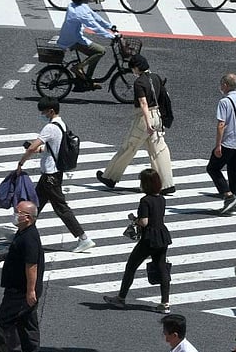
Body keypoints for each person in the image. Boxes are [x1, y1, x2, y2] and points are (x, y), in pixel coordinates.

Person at [17, 97, 96, 252]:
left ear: (51, 111)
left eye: (44, 111)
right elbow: (52, 148)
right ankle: (21, 235)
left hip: (50, 176)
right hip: (53, 173)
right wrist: (41, 150)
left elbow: (32, 148)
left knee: (61, 208)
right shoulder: (61, 124)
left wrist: (21, 163)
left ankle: (83, 238)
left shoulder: (50, 128)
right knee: (35, 205)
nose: (42, 114)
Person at [97, 54, 176, 195]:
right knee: (159, 151)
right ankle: (167, 184)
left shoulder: (139, 82)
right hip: (158, 117)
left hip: (144, 119)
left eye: (132, 68)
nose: (132, 71)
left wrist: (147, 122)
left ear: (137, 68)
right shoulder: (156, 77)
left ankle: (110, 177)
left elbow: (143, 103)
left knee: (129, 147)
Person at [103, 169, 172, 312]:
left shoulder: (145, 200)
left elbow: (144, 222)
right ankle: (165, 303)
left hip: (148, 238)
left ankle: (121, 298)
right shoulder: (161, 199)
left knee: (131, 266)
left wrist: (134, 219)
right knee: (162, 268)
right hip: (162, 236)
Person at [0, 200, 45, 352]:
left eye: (18, 212)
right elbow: (18, 256)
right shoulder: (24, 232)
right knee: (27, 323)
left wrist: (30, 291)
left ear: (28, 217)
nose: (15, 215)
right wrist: (2, 257)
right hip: (23, 289)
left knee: (4, 320)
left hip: (20, 290)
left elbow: (31, 265)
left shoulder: (29, 238)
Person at [207, 73, 236, 216]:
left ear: (225, 85)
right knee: (232, 171)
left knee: (213, 168)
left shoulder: (224, 102)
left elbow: (221, 124)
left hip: (228, 143)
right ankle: (233, 204)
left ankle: (228, 196)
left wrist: (218, 145)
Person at [56, 0, 118, 83]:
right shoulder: (81, 12)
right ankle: (78, 67)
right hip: (73, 39)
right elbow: (94, 26)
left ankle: (87, 79)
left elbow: (95, 16)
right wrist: (111, 36)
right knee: (101, 51)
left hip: (68, 36)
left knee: (94, 54)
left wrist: (109, 26)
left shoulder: (75, 5)